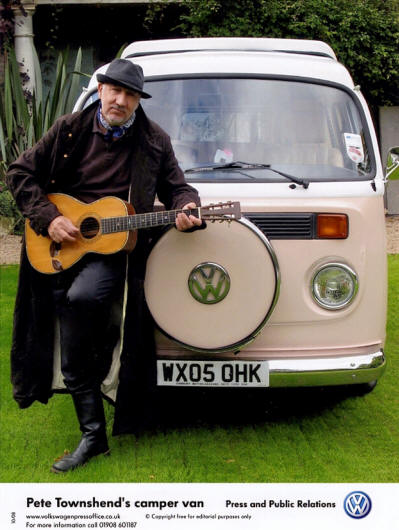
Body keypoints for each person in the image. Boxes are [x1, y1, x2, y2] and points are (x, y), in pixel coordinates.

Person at [6, 58, 204, 473]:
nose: (120, 100)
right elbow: (21, 172)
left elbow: (178, 186)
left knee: (79, 302)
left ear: (137, 101)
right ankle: (93, 429)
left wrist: (188, 208)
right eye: (114, 90)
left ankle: (94, 432)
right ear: (100, 91)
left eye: (130, 94)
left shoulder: (153, 140)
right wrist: (49, 218)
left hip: (115, 252)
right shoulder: (69, 129)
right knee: (67, 322)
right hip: (59, 243)